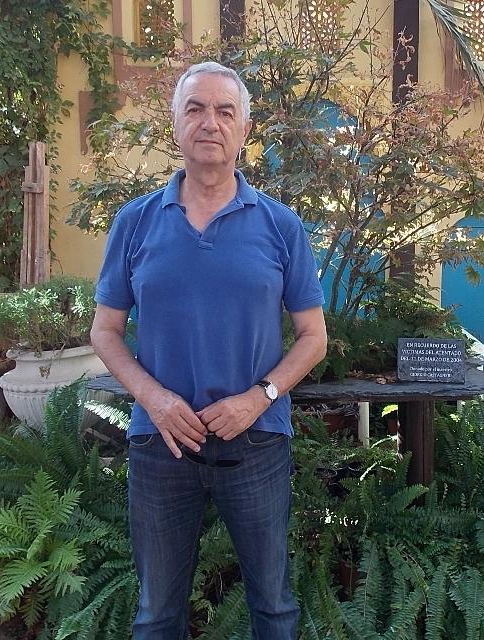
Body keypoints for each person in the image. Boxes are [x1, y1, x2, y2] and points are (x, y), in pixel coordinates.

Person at [90, 61, 328, 640]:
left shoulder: (280, 226)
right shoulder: (136, 223)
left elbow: (314, 337)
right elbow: (105, 331)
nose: (210, 123)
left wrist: (259, 397)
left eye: (225, 111)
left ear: (244, 129)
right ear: (176, 124)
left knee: (273, 606)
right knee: (156, 613)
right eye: (195, 109)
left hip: (257, 441)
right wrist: (154, 399)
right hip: (161, 442)